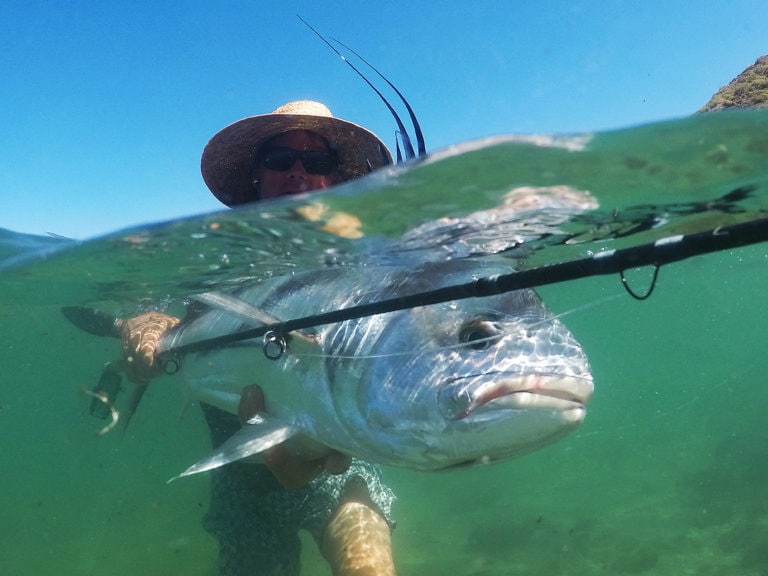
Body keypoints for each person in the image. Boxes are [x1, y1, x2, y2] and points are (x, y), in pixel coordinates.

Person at [121, 100, 398, 576]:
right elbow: (158, 314)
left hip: (337, 454)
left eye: (316, 162)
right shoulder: (212, 256)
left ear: (334, 177)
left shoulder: (367, 259)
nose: (298, 172)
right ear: (256, 174)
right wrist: (142, 336)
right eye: (279, 159)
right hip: (240, 482)